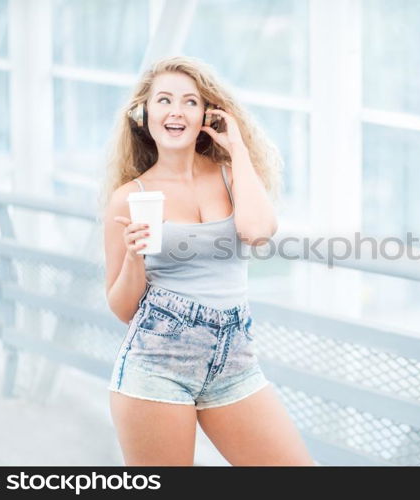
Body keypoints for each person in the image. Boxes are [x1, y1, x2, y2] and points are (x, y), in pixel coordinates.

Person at [98, 55, 314, 466]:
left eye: (189, 102)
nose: (176, 111)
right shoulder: (128, 197)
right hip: (156, 363)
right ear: (144, 115)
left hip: (234, 362)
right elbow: (124, 309)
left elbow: (258, 230)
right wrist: (133, 256)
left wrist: (236, 147)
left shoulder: (231, 176)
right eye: (163, 100)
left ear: (206, 115)